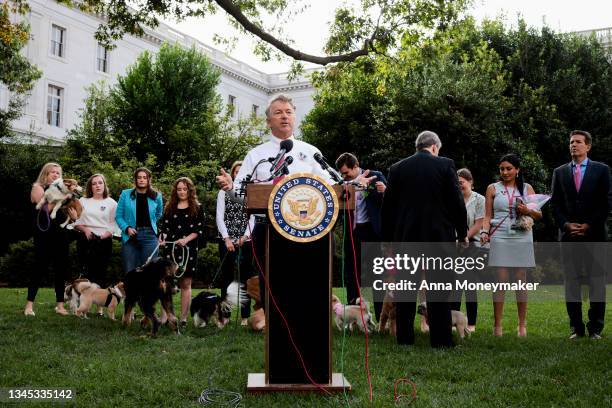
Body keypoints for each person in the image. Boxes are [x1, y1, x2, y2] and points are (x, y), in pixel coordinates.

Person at [216, 93, 336, 309]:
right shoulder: (256, 155)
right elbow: (243, 192)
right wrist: (231, 187)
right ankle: (274, 330)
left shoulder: (311, 152)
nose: (284, 117)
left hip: (306, 231)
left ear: (295, 118)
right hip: (267, 230)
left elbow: (330, 185)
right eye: (278, 112)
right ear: (268, 121)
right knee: (271, 287)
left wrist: (351, 184)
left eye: (288, 112)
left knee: (305, 285)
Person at [381, 131, 467, 348]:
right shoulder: (445, 165)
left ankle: (405, 338)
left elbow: (388, 208)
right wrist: (462, 232)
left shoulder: (397, 168)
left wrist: (389, 239)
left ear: (418, 146)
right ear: (435, 147)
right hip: (438, 238)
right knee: (439, 289)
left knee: (406, 289)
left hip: (406, 238)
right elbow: (456, 202)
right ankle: (441, 340)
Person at [550, 130, 611, 340]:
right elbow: (555, 204)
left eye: (578, 142)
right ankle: (576, 328)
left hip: (594, 235)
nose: (573, 145)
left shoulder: (602, 170)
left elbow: (607, 202)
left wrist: (589, 224)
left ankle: (595, 329)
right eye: (571, 142)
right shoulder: (559, 172)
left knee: (596, 282)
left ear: (588, 146)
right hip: (569, 236)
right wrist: (566, 225)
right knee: (571, 282)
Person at [481, 154, 542, 337]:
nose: (505, 172)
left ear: (517, 170)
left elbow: (538, 215)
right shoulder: (492, 188)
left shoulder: (527, 188)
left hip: (522, 235)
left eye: (509, 169)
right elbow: (487, 216)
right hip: (499, 235)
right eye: (502, 169)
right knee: (500, 280)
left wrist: (527, 210)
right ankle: (497, 326)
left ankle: (522, 325)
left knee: (520, 279)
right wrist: (484, 232)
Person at [335, 152, 386, 320]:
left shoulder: (375, 176)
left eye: (346, 172)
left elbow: (390, 200)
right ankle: (353, 313)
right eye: (342, 173)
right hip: (352, 231)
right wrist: (352, 183)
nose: (344, 176)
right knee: (352, 272)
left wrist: (383, 191)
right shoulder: (343, 184)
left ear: (355, 166)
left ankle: (380, 316)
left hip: (372, 231)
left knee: (376, 273)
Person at [25, 162, 77, 316]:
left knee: (60, 270)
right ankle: (29, 305)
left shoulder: (63, 192)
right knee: (39, 268)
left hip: (61, 234)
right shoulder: (38, 187)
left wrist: (73, 218)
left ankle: (60, 306)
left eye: (58, 173)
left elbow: (70, 212)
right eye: (52, 172)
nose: (56, 175)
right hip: (44, 235)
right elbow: (45, 208)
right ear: (45, 175)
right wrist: (65, 196)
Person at [159, 177, 205, 328]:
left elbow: (198, 230)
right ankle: (165, 316)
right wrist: (162, 237)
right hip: (170, 250)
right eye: (179, 189)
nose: (182, 192)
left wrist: (186, 240)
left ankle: (183, 318)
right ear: (175, 191)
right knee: (165, 283)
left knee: (185, 283)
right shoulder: (169, 207)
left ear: (190, 190)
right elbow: (164, 228)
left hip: (188, 250)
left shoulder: (197, 208)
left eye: (185, 189)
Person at [216, 162, 255, 326]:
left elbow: (253, 217)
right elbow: (219, 216)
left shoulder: (251, 192)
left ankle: (245, 316)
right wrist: (227, 238)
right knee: (226, 278)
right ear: (232, 175)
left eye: (241, 172)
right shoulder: (223, 193)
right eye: (236, 172)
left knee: (245, 278)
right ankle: (225, 315)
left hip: (245, 240)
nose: (239, 174)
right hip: (226, 240)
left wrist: (245, 237)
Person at [450, 168, 484, 333]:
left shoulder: (480, 200)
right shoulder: (451, 198)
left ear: (470, 182)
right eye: (457, 183)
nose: (459, 185)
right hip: (453, 245)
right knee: (455, 286)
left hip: (471, 245)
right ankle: (455, 322)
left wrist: (463, 237)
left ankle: (471, 323)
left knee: (469, 285)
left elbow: (479, 223)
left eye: (461, 182)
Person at [73, 174, 118, 289]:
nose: (97, 186)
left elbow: (114, 223)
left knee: (101, 272)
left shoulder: (112, 203)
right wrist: (85, 229)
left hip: (104, 240)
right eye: (94, 184)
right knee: (86, 271)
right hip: (86, 239)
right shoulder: (82, 201)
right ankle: (83, 299)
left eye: (100, 183)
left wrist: (106, 235)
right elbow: (76, 222)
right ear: (90, 187)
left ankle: (99, 302)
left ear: (104, 185)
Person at [115, 167, 163, 273]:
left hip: (150, 236)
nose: (142, 180)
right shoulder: (125, 194)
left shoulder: (156, 196)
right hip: (130, 236)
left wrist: (151, 222)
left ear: (149, 179)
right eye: (139, 177)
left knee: (150, 272)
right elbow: (118, 216)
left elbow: (159, 213)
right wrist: (126, 228)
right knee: (130, 271)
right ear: (135, 180)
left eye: (144, 177)